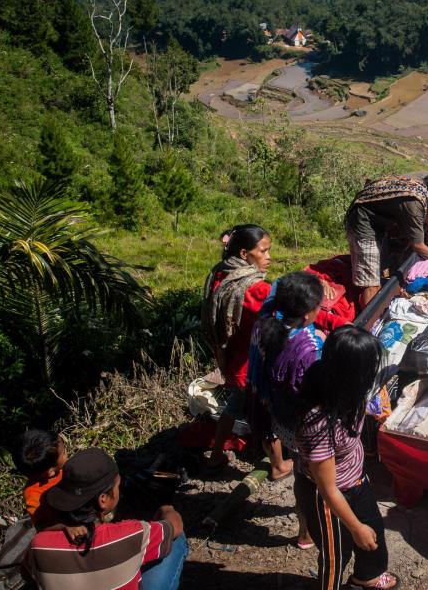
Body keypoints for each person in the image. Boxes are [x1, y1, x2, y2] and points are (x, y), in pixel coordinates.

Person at [293, 326, 399, 590]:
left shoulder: (347, 390)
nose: (374, 371)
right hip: (327, 496)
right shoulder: (317, 422)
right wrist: (354, 527)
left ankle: (366, 578)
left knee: (374, 533)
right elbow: (327, 489)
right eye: (370, 367)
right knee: (336, 555)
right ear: (352, 374)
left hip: (355, 479)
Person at [26, 448, 187, 590]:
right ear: (103, 499)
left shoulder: (38, 545)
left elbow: (28, 575)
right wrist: (166, 509)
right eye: (117, 486)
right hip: (136, 538)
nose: (118, 490)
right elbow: (175, 526)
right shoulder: (129, 534)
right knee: (176, 539)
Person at [249, 271, 326, 548]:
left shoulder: (265, 322)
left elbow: (278, 285)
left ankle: (305, 527)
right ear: (307, 314)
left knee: (301, 474)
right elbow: (314, 396)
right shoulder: (308, 350)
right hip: (301, 427)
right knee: (312, 480)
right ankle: (309, 531)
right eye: (319, 305)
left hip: (278, 417)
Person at [200, 224, 273, 469]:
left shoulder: (220, 273)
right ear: (244, 254)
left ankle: (217, 453)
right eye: (263, 251)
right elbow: (282, 311)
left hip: (231, 358)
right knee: (265, 414)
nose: (269, 257)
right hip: (252, 364)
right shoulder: (253, 289)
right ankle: (279, 465)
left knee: (233, 407)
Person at [345, 172, 428, 307]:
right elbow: (418, 246)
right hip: (362, 221)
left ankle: (380, 301)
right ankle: (369, 323)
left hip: (379, 217)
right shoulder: (413, 202)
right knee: (371, 283)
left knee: (379, 270)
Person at [13, 430, 68, 523]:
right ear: (50, 472)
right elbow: (41, 525)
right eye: (64, 453)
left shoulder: (62, 467)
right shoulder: (33, 494)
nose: (67, 452)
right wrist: (66, 526)